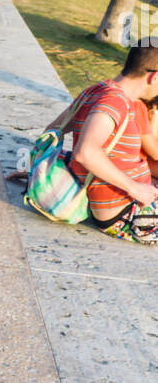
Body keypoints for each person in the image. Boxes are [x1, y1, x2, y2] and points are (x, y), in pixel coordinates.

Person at [62, 43, 158, 244]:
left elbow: (54, 130)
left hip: (130, 205)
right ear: (154, 77)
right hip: (129, 216)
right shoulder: (113, 101)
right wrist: (134, 188)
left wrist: (39, 168)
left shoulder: (96, 90)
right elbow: (86, 152)